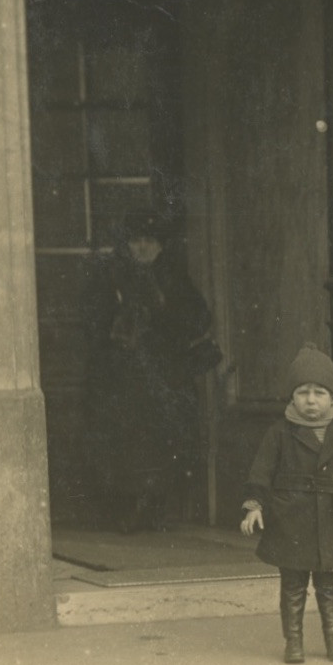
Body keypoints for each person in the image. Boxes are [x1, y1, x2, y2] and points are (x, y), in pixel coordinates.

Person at [238, 345, 333, 664]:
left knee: (330, 583)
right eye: (303, 392)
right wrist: (254, 505)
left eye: (319, 392)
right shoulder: (279, 433)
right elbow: (261, 471)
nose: (311, 400)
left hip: (332, 519)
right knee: (292, 584)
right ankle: (293, 641)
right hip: (291, 518)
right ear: (292, 397)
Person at [85, 210, 218, 534]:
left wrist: (164, 317)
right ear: (127, 245)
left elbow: (198, 318)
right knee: (125, 442)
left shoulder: (174, 277)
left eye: (150, 241)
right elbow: (95, 324)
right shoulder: (112, 276)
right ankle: (127, 508)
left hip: (164, 376)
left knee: (163, 439)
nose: (143, 248)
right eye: (136, 241)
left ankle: (155, 505)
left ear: (161, 246)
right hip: (123, 377)